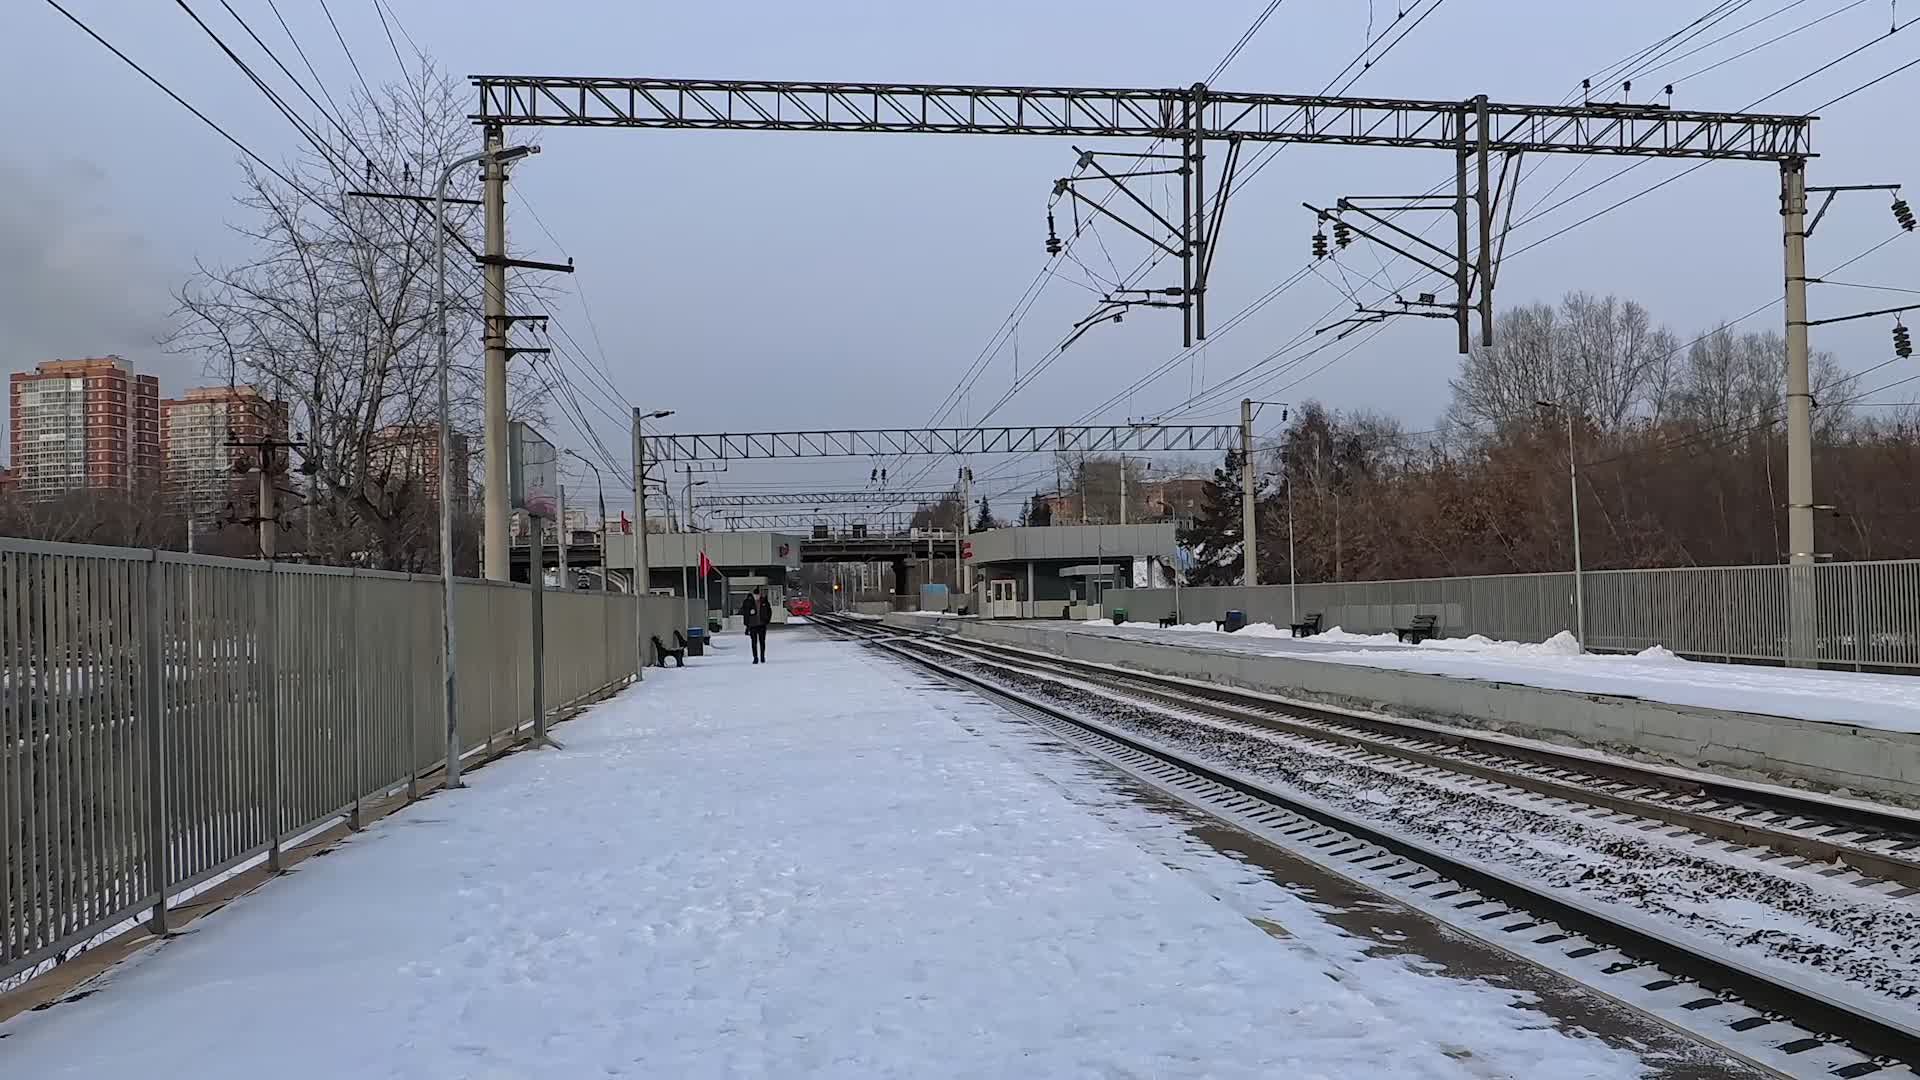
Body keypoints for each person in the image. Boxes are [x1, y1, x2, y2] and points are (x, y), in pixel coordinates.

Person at [739, 586, 773, 664]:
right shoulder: (748, 602)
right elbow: (743, 611)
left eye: (758, 595)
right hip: (752, 625)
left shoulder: (764, 601)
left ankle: (762, 657)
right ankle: (755, 658)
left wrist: (767, 620)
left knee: (762, 641)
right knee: (754, 642)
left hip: (762, 625)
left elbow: (769, 611)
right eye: (755, 595)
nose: (757, 596)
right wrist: (747, 623)